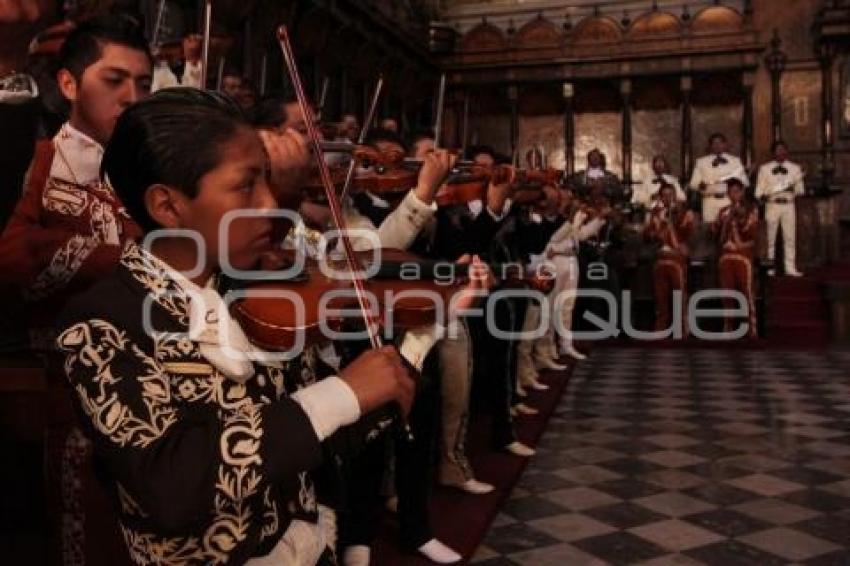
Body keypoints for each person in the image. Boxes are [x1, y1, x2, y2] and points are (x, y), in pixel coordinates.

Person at [57, 87, 478, 565]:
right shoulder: (101, 320)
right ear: (167, 206)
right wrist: (338, 394)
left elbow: (317, 440)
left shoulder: (261, 292)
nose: (271, 205)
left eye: (268, 183)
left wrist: (405, 358)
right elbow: (170, 486)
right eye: (246, 186)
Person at [0, 14, 153, 349]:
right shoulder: (36, 160)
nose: (133, 98)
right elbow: (9, 254)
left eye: (144, 84)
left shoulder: (153, 171)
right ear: (69, 85)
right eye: (114, 80)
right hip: (48, 368)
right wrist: (132, 259)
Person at [645, 183, 695, 336]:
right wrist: (658, 223)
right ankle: (661, 330)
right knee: (661, 298)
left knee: (679, 296)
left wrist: (673, 218)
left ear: (674, 196)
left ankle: (682, 331)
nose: (667, 198)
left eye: (670, 195)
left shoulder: (684, 212)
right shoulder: (656, 213)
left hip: (676, 257)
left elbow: (686, 232)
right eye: (664, 195)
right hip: (660, 257)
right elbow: (647, 236)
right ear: (660, 197)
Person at [713, 178, 759, 338]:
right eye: (730, 192)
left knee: (746, 291)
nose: (733, 195)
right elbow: (714, 233)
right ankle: (728, 325)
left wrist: (739, 218)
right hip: (726, 255)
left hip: (742, 254)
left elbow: (751, 234)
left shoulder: (750, 210)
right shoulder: (723, 210)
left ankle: (750, 328)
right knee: (727, 292)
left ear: (742, 192)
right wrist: (722, 221)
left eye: (737, 192)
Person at [755, 140, 804, 277]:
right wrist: (770, 192)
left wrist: (792, 187)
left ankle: (790, 268)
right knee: (770, 238)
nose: (781, 153)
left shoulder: (795, 169)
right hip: (772, 205)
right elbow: (758, 192)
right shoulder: (764, 169)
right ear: (773, 153)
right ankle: (769, 268)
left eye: (783, 150)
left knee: (790, 237)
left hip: (789, 205)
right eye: (778, 150)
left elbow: (800, 191)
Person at [689, 133, 748, 223]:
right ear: (710, 146)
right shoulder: (701, 162)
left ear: (725, 144)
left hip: (729, 200)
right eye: (714, 143)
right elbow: (693, 184)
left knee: (729, 229)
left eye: (720, 143)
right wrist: (700, 185)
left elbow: (745, 182)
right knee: (710, 230)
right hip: (709, 201)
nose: (717, 146)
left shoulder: (735, 161)